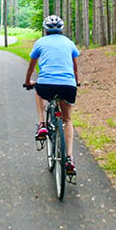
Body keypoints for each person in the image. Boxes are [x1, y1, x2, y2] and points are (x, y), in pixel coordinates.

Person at [24, 14, 80, 174]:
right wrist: (75, 82)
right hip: (67, 86)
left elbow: (31, 67)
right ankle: (69, 158)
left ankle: (42, 124)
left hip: (46, 85)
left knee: (38, 91)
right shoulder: (69, 43)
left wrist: (28, 81)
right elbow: (75, 68)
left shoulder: (40, 43)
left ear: (46, 30)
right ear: (61, 29)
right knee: (67, 119)